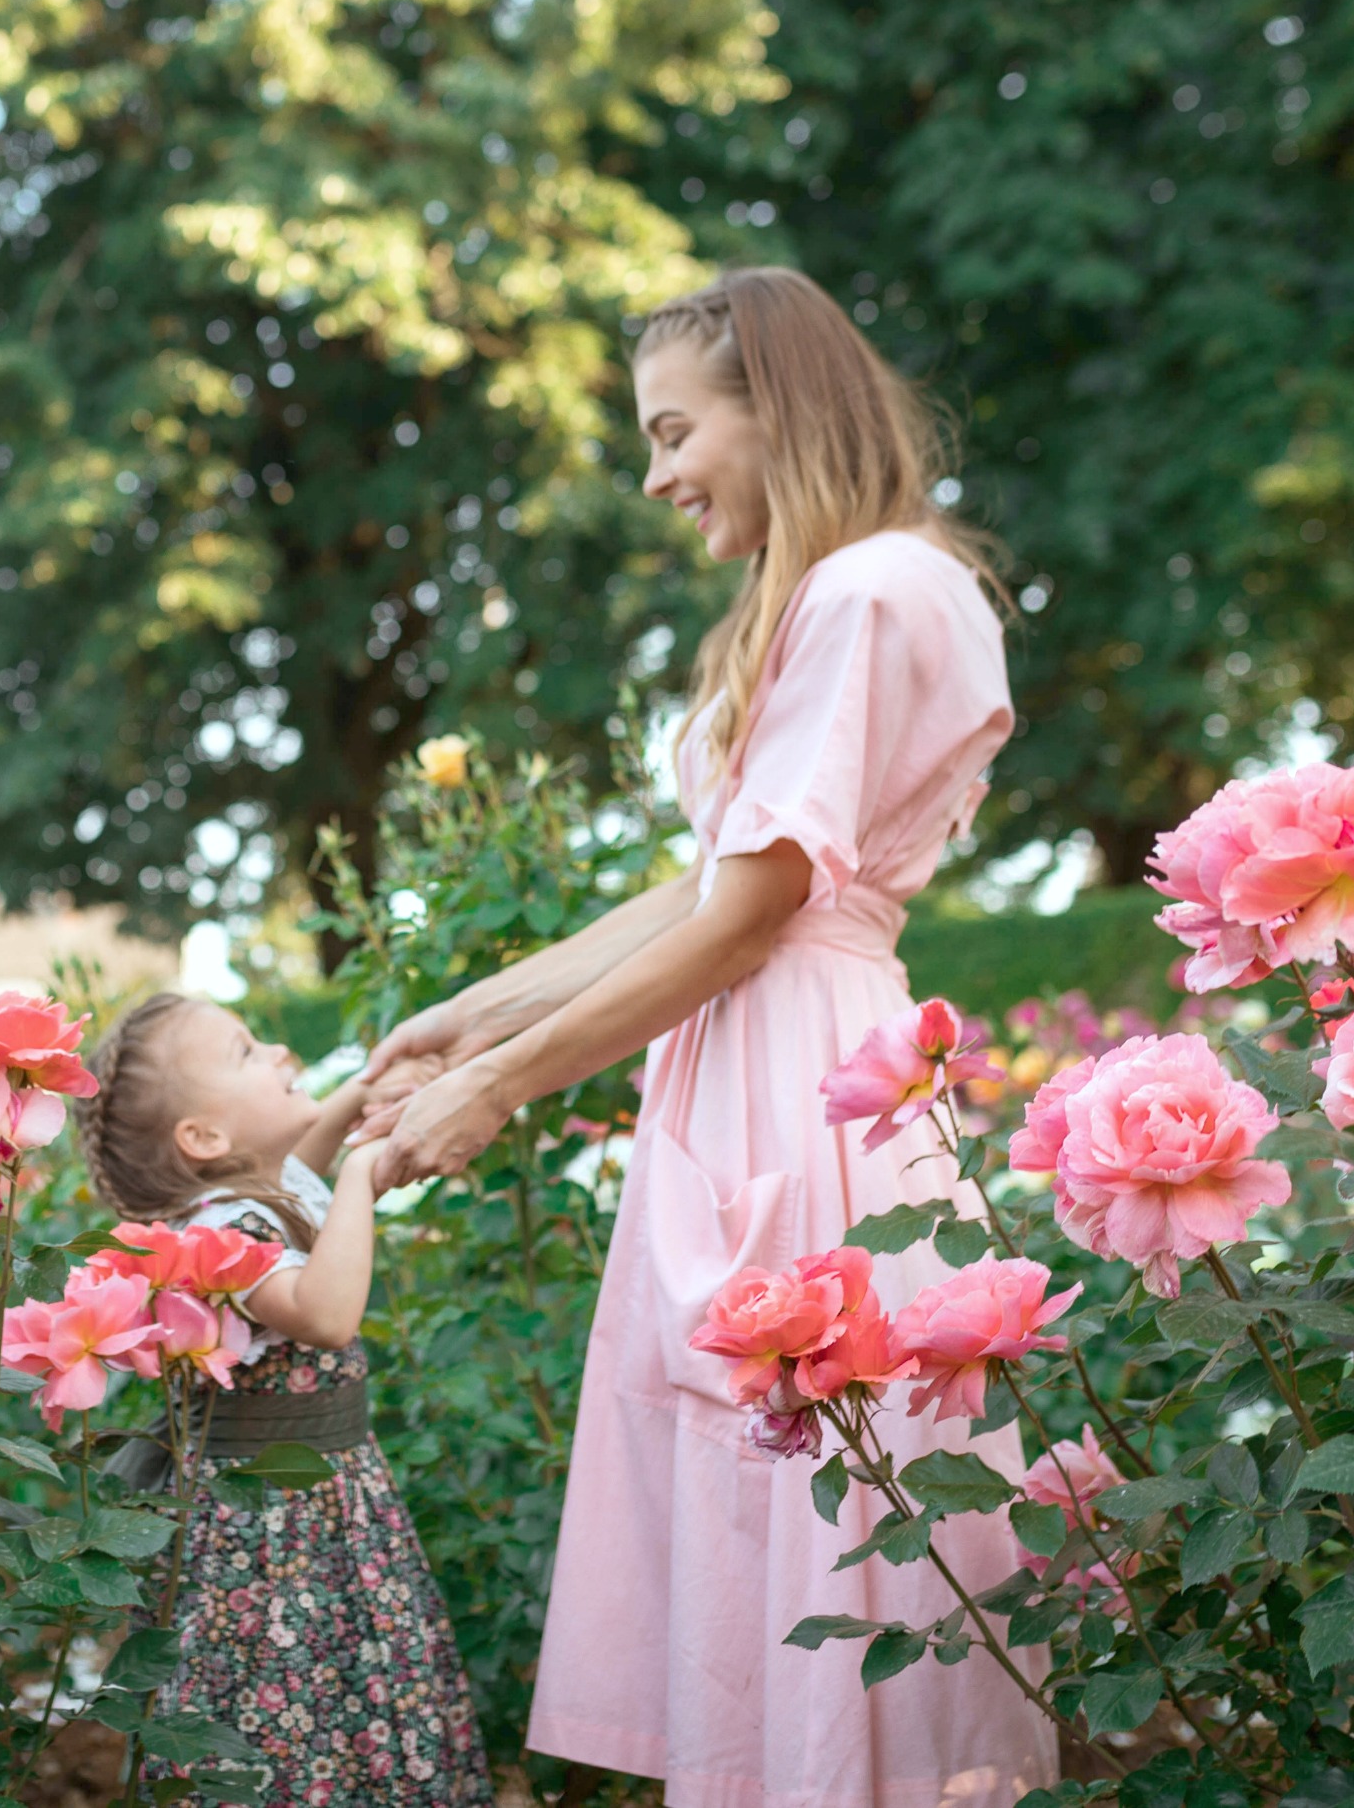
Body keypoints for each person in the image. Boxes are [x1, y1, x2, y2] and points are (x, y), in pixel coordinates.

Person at [364, 267, 1055, 1807]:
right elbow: (705, 888)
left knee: (823, 1472)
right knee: (776, 1481)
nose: (657, 474)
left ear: (777, 409)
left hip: (803, 1067)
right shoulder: (834, 596)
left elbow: (749, 917)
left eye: (676, 431)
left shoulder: (871, 589)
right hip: (770, 1054)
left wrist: (494, 1091)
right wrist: (464, 1018)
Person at [77, 992, 494, 1808]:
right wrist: (361, 1175)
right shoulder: (220, 1238)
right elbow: (326, 1313)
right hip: (272, 1538)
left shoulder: (252, 1195)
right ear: (203, 1140)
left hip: (322, 1508)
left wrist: (366, 1090)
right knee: (293, 1696)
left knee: (340, 1686)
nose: (275, 1048)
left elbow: (301, 1155)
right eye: (243, 1051)